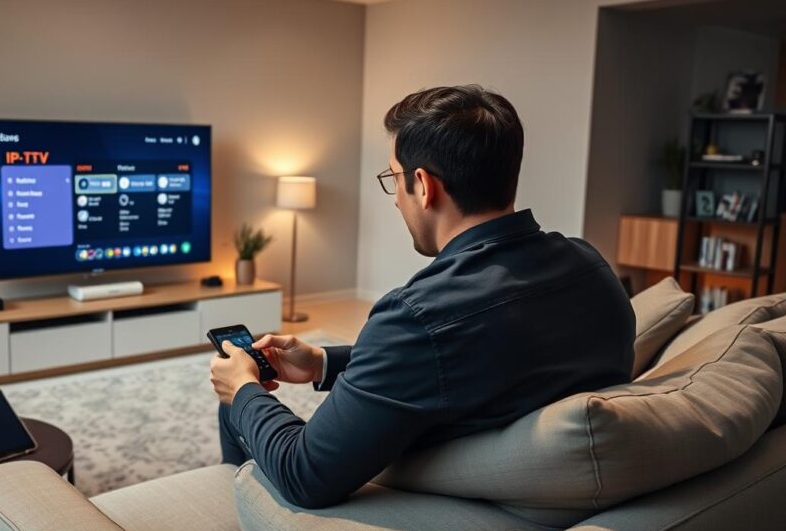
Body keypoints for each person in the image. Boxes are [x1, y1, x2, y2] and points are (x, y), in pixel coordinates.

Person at [209, 85, 634, 509]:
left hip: (429, 501)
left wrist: (245, 386)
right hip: (552, 497)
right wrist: (323, 362)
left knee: (237, 405)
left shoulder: (418, 316)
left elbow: (305, 475)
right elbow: (464, 360)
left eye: (393, 178)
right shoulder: (590, 266)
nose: (395, 199)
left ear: (424, 186)